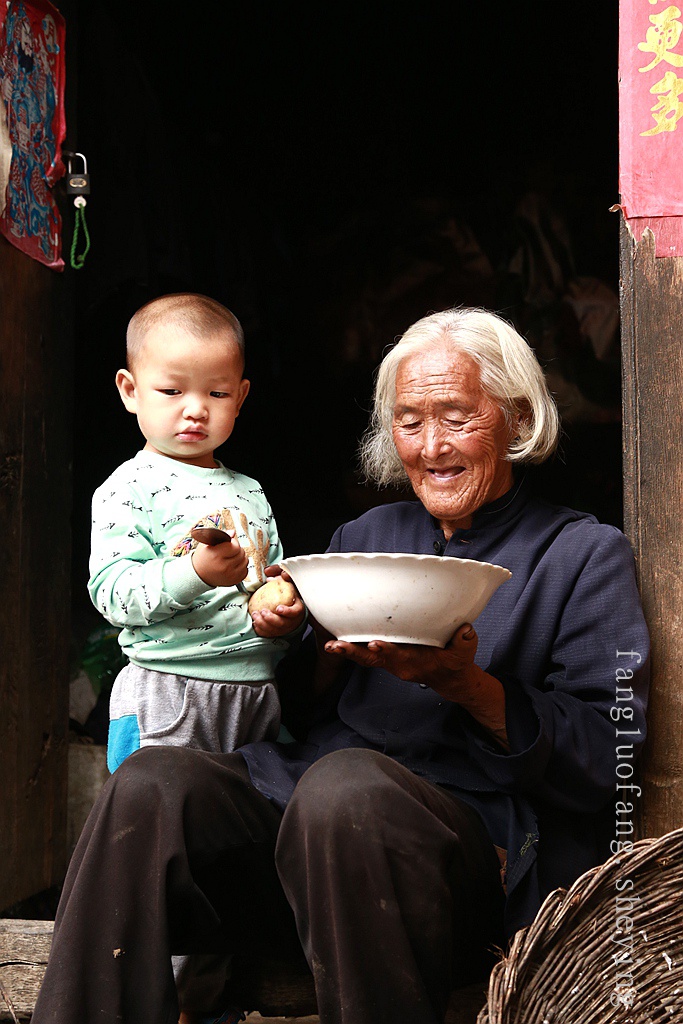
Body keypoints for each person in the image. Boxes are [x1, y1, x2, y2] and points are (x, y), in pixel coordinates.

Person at [32, 306, 649, 1024]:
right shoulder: (365, 536)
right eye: (410, 420)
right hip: (306, 838)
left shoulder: (580, 555)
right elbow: (291, 708)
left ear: (514, 418)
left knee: (345, 787)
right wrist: (300, 641)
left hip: (466, 860)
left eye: (455, 416)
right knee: (152, 783)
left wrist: (466, 686)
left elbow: (611, 757)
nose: (431, 445)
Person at [86, 292, 305, 1019]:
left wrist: (273, 609)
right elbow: (115, 594)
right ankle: (153, 1001)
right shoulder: (127, 490)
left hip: (252, 697)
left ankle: (205, 1002)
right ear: (129, 390)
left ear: (240, 397)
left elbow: (259, 583)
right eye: (171, 390)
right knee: (155, 857)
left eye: (215, 393)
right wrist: (191, 574)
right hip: (165, 694)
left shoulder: (247, 491)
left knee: (230, 860)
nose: (193, 410)